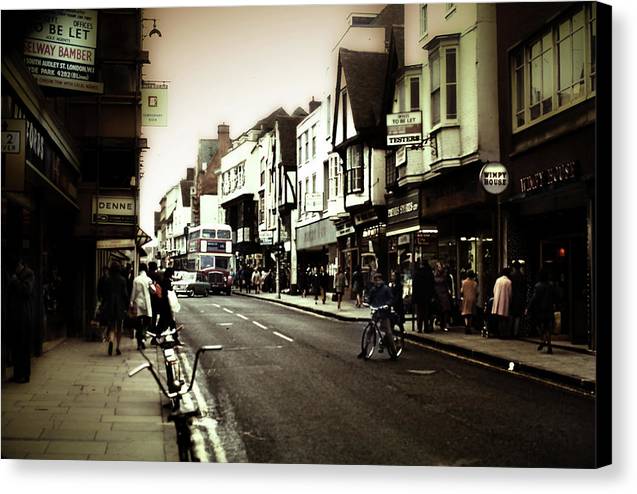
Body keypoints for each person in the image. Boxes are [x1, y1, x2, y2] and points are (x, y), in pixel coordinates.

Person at [8, 259, 35, 383]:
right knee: (16, 346)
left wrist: (15, 281)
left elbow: (26, 290)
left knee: (24, 346)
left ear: (21, 265)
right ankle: (17, 373)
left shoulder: (29, 274)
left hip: (24, 316)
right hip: (15, 316)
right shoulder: (16, 275)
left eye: (17, 268)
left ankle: (25, 375)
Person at [361, 272, 396, 357]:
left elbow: (391, 298)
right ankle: (365, 348)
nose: (376, 282)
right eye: (375, 280)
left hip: (384, 312)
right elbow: (370, 299)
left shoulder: (386, 289)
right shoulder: (373, 290)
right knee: (370, 330)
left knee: (388, 332)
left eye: (378, 280)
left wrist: (387, 304)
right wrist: (367, 303)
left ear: (381, 280)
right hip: (376, 312)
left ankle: (394, 351)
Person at [526, 269, 558, 354]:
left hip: (540, 310)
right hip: (549, 309)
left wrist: (528, 307)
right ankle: (549, 345)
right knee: (548, 328)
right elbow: (555, 296)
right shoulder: (551, 285)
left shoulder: (538, 286)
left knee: (539, 326)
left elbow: (534, 298)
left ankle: (543, 340)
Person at [101, 261, 129, 356]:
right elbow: (125, 294)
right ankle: (118, 347)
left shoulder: (107, 280)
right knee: (119, 327)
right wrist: (127, 305)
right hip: (120, 306)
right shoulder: (122, 280)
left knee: (112, 326)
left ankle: (111, 341)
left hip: (110, 305)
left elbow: (104, 294)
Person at [129, 263, 153, 350]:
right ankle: (143, 337)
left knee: (138, 324)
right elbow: (153, 291)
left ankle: (139, 342)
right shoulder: (148, 279)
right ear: (146, 270)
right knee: (147, 322)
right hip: (147, 304)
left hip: (138, 303)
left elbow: (133, 292)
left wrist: (131, 302)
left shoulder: (136, 280)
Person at [412, 260, 434, 333]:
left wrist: (414, 297)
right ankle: (426, 327)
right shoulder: (429, 273)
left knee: (419, 312)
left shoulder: (416, 273)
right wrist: (432, 295)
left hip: (418, 296)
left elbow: (414, 286)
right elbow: (431, 285)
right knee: (426, 312)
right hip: (427, 295)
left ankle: (419, 327)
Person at [492, 268, 513, 338]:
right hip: (505, 301)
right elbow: (510, 294)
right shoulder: (508, 282)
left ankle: (499, 333)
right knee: (504, 318)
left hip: (497, 300)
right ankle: (503, 334)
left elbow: (494, 290)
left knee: (499, 318)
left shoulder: (498, 280)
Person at [509, 261, 526, 338]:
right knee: (518, 316)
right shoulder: (522, 276)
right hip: (520, 298)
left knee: (512, 315)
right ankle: (517, 332)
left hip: (513, 297)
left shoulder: (511, 276)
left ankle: (511, 332)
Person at [433, 262, 452, 331]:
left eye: (440, 266)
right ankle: (441, 322)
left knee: (445, 310)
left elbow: (447, 284)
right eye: (438, 267)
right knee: (440, 310)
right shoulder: (435, 275)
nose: (440, 268)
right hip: (438, 294)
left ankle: (445, 323)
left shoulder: (444, 275)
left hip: (443, 293)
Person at [157, 267, 176, 332]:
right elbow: (168, 291)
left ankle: (158, 333)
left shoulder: (162, 280)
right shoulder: (167, 281)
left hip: (162, 302)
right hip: (166, 302)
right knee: (169, 319)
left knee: (163, 319)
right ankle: (174, 334)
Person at [460, 270, 479, 335]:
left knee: (466, 313)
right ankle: (469, 326)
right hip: (472, 299)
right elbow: (477, 292)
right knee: (470, 314)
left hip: (466, 299)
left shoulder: (464, 282)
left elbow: (461, 291)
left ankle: (466, 326)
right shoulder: (475, 283)